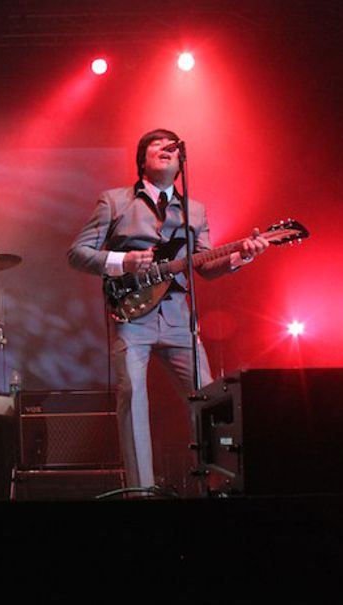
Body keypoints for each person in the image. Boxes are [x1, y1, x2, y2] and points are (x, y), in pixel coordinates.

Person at [67, 128, 268, 490]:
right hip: (131, 316)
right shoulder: (114, 200)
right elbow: (78, 254)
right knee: (133, 398)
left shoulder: (195, 209)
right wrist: (123, 261)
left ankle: (218, 487)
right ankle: (140, 493)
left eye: (171, 146)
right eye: (156, 144)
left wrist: (241, 256)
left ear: (180, 161)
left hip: (178, 319)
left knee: (211, 399)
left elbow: (205, 265)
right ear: (142, 161)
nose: (165, 148)